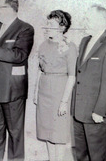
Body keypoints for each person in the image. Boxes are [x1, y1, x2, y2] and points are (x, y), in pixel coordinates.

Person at [0, 0, 34, 161]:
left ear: (11, 8)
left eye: (0, 7)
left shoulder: (25, 29)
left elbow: (20, 55)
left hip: (12, 90)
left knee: (15, 133)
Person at [71, 5, 106, 161]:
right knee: (81, 156)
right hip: (79, 112)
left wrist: (99, 111)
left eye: (88, 18)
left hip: (96, 114)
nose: (84, 21)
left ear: (101, 20)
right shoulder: (84, 41)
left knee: (98, 157)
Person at [34, 10, 77, 161]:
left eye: (51, 24)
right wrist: (35, 93)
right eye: (47, 23)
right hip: (44, 91)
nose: (47, 27)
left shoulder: (70, 47)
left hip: (60, 91)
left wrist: (64, 102)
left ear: (62, 27)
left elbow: (72, 76)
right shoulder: (43, 45)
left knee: (58, 132)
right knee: (46, 130)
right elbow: (40, 69)